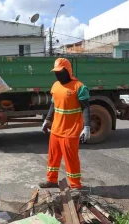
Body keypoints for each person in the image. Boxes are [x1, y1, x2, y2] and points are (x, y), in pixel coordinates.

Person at [39, 58, 91, 194]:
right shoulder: (55, 85)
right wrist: (47, 120)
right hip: (56, 129)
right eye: (56, 72)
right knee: (53, 156)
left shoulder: (79, 87)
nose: (57, 74)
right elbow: (53, 104)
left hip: (71, 131)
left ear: (67, 71)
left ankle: (75, 186)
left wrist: (87, 126)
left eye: (60, 71)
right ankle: (51, 180)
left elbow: (85, 108)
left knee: (71, 159)